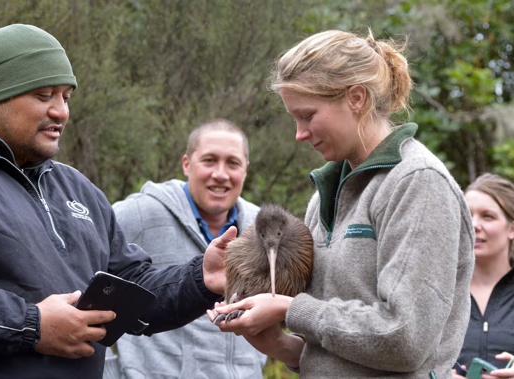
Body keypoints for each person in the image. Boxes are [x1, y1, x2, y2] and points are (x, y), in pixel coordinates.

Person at [0, 24, 232, 379]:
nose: (61, 112)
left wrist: (201, 280)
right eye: (44, 95)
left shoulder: (77, 188)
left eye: (66, 97)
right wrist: (31, 325)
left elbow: (135, 293)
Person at [208, 29, 475, 378]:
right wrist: (274, 341)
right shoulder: (324, 197)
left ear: (357, 98)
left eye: (307, 115)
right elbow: (331, 351)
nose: (299, 133)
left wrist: (290, 309)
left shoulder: (417, 183)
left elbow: (405, 340)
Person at [106, 119, 266, 378]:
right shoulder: (141, 213)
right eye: (209, 160)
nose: (221, 174)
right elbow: (77, 270)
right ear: (186, 164)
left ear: (245, 169)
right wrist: (107, 371)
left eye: (232, 163)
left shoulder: (262, 229)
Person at [453, 173, 514, 378]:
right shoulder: (441, 291)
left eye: (488, 216)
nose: (474, 225)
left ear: (512, 228)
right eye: (467, 215)